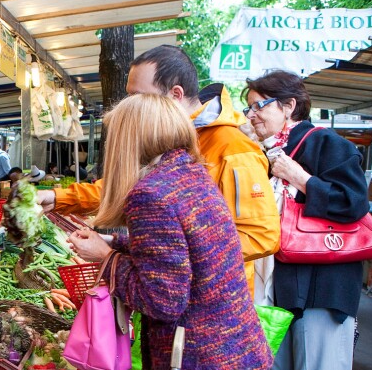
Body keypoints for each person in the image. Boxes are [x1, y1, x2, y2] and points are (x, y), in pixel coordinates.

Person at [68, 93, 273, 370]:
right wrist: (118, 241)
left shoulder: (150, 194)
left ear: (130, 139)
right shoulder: (189, 174)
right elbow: (182, 247)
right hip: (231, 367)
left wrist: (106, 258)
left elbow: (162, 299)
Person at [37, 45, 280, 295]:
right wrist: (58, 198)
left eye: (139, 96)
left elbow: (261, 236)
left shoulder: (233, 148)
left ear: (175, 95)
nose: (130, 106)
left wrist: (160, 254)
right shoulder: (163, 142)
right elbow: (126, 188)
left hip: (213, 300)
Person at [244, 70, 367, 370]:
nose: (253, 114)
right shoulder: (266, 152)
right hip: (285, 287)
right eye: (251, 106)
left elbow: (354, 204)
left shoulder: (325, 143)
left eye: (260, 105)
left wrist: (302, 179)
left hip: (324, 287)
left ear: (289, 106)